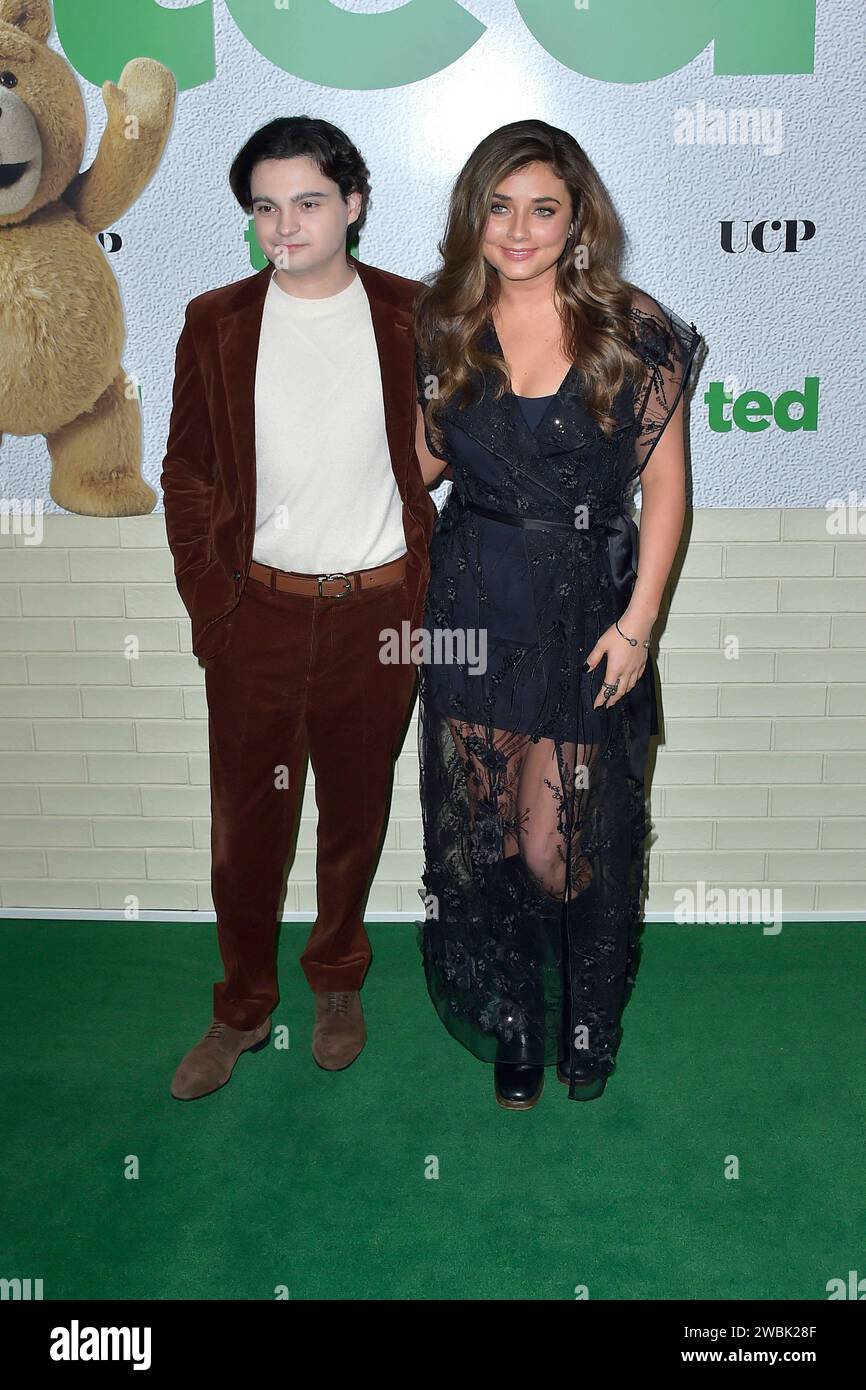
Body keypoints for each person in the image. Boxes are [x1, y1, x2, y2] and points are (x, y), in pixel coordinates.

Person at [412, 119, 702, 1109]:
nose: (518, 228)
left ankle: (582, 1013)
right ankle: (519, 1024)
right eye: (498, 206)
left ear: (577, 216)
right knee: (489, 834)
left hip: (585, 608)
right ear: (473, 216)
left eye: (541, 206)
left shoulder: (631, 325)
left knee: (559, 841)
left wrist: (639, 623)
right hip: (472, 597)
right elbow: (422, 467)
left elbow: (662, 490)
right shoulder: (445, 321)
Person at [161, 117, 435, 1101]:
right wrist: (210, 603)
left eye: (307, 202)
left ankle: (336, 982)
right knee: (248, 827)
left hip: (380, 614)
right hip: (257, 617)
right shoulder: (216, 320)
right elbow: (187, 470)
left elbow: (457, 440)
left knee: (354, 814)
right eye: (264, 207)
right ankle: (239, 1006)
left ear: (352, 204)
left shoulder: (414, 313)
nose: (285, 224)